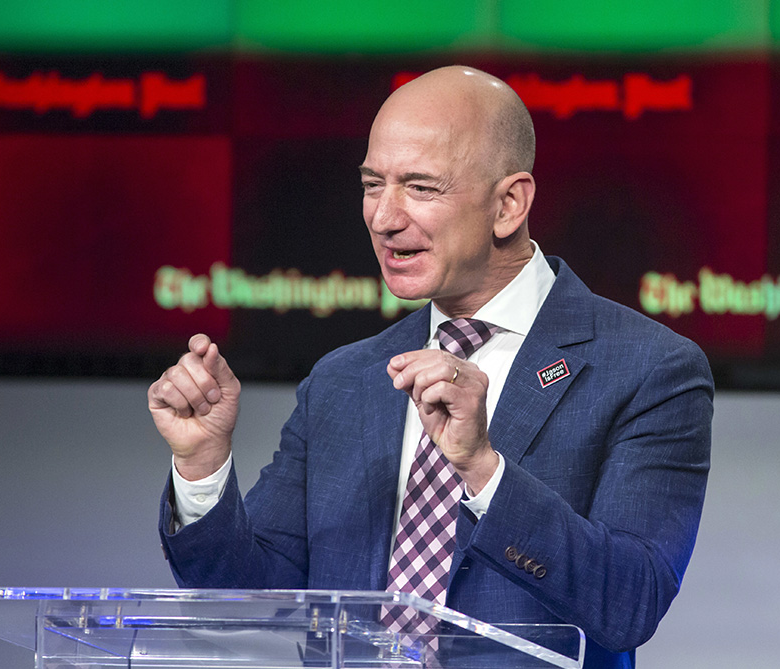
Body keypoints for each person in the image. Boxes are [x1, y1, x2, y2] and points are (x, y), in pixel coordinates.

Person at [149, 65, 712, 668]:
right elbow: (247, 596)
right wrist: (202, 465)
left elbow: (631, 602)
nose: (384, 217)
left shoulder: (649, 369)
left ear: (509, 205)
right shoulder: (343, 381)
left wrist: (483, 469)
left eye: (420, 187)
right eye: (373, 184)